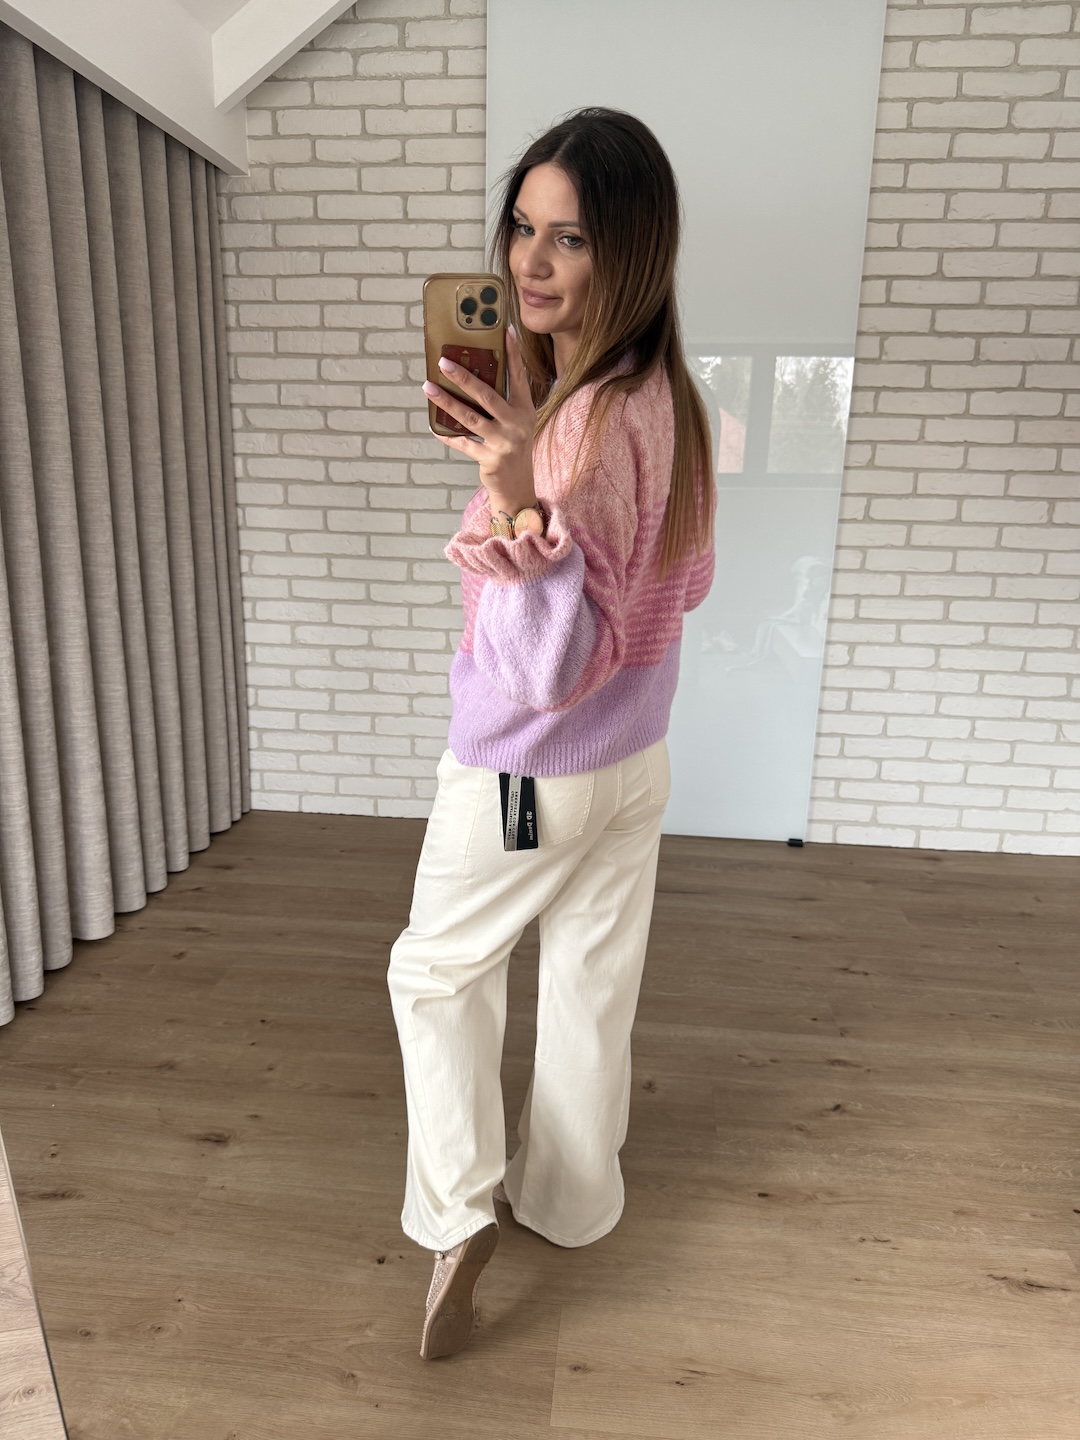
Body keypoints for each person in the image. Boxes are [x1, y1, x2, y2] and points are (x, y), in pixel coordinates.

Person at [386, 106, 716, 1361]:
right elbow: (679, 589)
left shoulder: (579, 427)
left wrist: (515, 491)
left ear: (628, 250)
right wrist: (523, 448)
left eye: (568, 238)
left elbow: (547, 671)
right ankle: (572, 1202)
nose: (529, 262)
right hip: (636, 765)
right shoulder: (662, 395)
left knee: (437, 974)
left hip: (531, 776)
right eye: (522, 228)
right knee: (589, 982)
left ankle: (456, 1212)